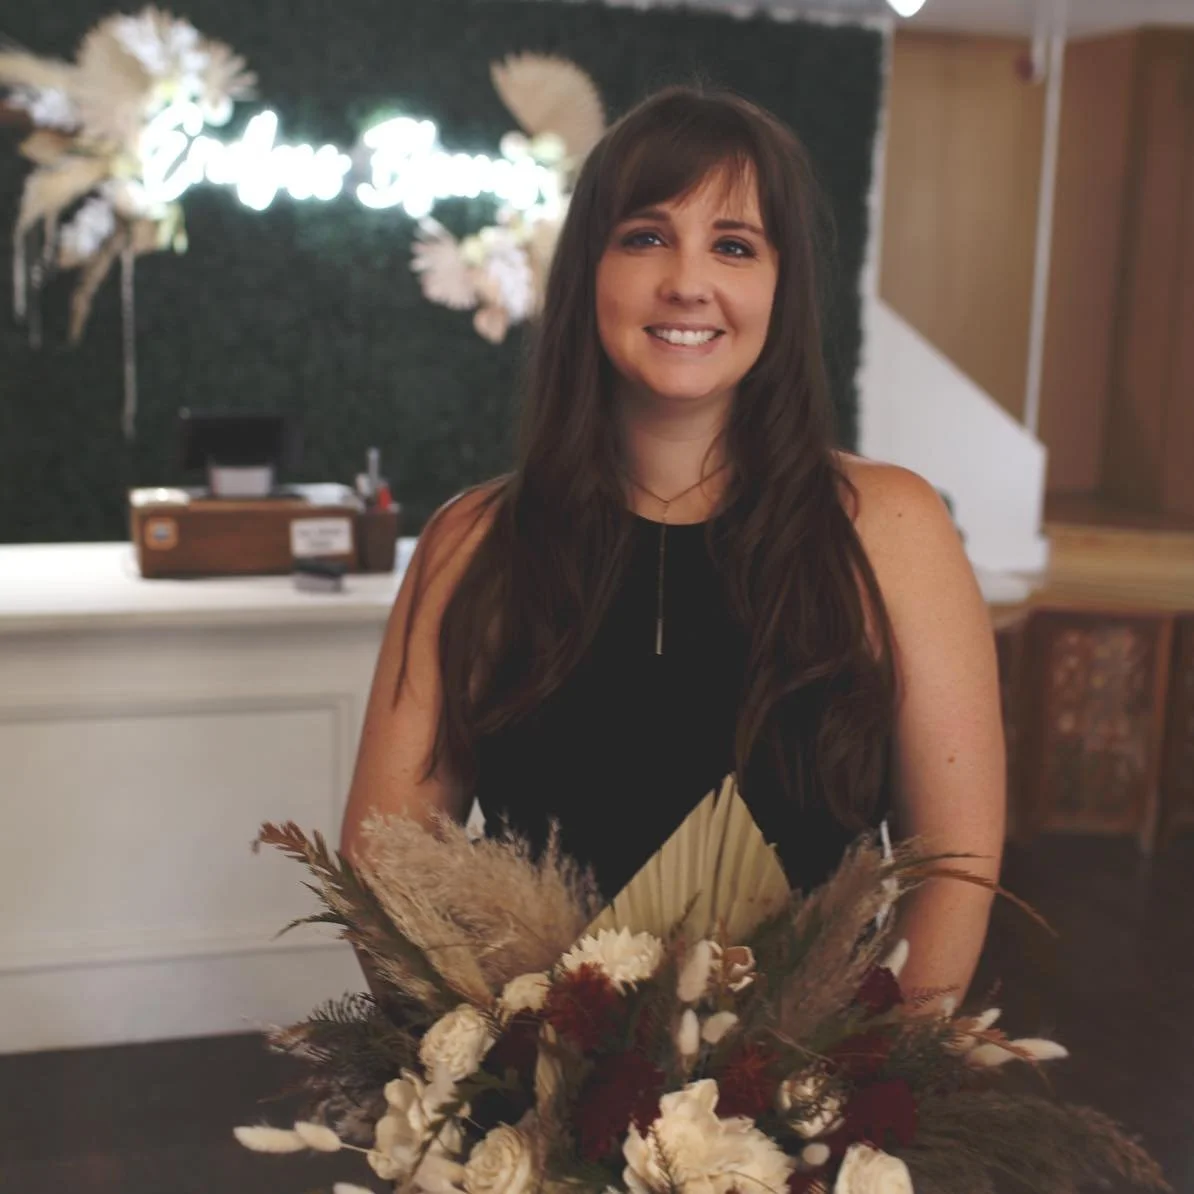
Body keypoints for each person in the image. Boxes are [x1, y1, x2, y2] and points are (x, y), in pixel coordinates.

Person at [341, 86, 1005, 1002]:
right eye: (647, 236)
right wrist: (504, 1071)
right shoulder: (472, 545)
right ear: (588, 271)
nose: (689, 282)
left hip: (821, 1081)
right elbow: (385, 870)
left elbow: (955, 865)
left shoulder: (889, 527)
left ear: (782, 285)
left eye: (734, 246)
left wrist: (863, 1075)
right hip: (530, 1077)